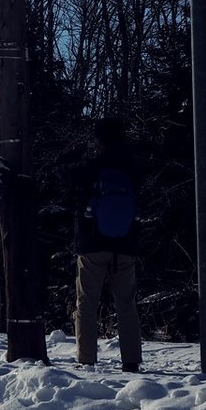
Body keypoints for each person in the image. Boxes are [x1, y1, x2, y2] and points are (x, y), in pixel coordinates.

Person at [73, 116, 142, 372]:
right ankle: (131, 360)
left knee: (87, 303)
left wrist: (73, 154)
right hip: (126, 245)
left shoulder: (93, 164)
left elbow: (64, 174)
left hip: (92, 244)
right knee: (126, 304)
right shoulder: (134, 166)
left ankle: (86, 359)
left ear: (99, 139)